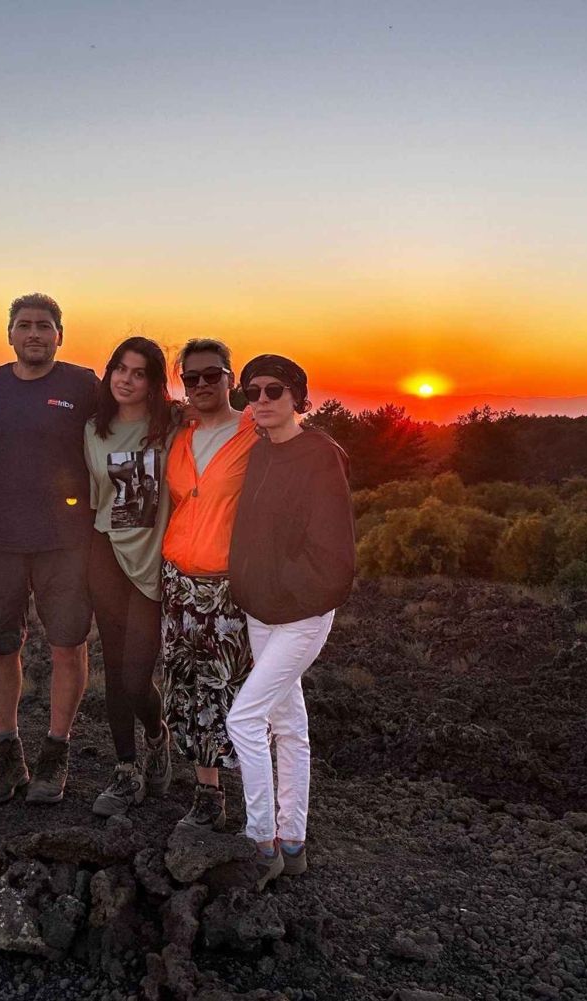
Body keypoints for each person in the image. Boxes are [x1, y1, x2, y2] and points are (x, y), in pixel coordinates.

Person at [227, 355, 355, 887]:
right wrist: (251, 585)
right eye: (251, 391)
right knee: (288, 724)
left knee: (244, 719)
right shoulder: (260, 451)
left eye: (273, 390)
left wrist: (292, 588)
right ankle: (294, 842)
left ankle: (261, 843)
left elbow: (334, 548)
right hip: (261, 610)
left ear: (297, 397)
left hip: (301, 614)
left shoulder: (320, 455)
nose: (260, 400)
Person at [0, 293, 100, 806]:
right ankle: (7, 757)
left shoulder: (83, 384)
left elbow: (126, 423)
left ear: (59, 335)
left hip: (66, 540)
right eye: (24, 325)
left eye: (44, 326)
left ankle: (55, 752)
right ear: (9, 334)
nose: (34, 334)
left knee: (68, 644)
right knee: (0, 648)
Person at [160, 338, 261, 829]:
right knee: (188, 689)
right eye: (191, 377)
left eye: (211, 375)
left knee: (231, 692)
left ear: (230, 378)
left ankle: (260, 799)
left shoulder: (255, 430)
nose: (201, 384)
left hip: (229, 587)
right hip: (178, 582)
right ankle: (207, 793)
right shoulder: (181, 433)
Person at [84, 337, 176, 817]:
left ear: (154, 382)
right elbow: (96, 498)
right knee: (116, 670)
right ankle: (125, 768)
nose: (126, 379)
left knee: (137, 677)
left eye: (139, 373)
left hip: (156, 562)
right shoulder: (94, 429)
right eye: (120, 368)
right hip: (107, 556)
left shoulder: (173, 426)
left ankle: (157, 737)